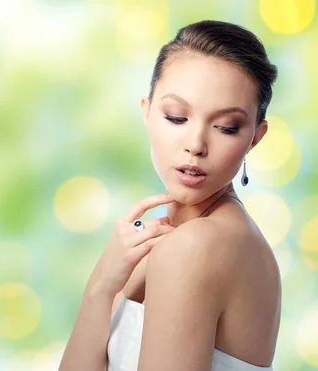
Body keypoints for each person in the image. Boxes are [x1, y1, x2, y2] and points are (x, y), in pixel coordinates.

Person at [59, 20, 282, 371]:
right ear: (147, 111)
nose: (195, 145)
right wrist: (101, 286)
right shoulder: (162, 241)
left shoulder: (197, 247)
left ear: (255, 136)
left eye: (226, 127)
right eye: (177, 117)